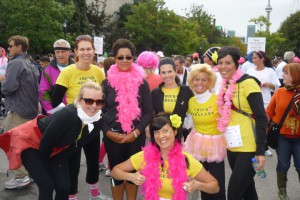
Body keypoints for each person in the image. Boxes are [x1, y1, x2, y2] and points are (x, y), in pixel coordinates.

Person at [0, 81, 105, 200]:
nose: (94, 105)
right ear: (80, 100)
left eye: (99, 102)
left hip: (56, 147)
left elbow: (76, 146)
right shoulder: (69, 114)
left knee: (64, 187)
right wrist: (47, 169)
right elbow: (45, 143)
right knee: (47, 185)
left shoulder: (99, 120)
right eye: (89, 100)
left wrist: (58, 164)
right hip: (29, 140)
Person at [111, 113, 219, 199]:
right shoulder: (145, 156)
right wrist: (131, 177)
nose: (161, 136)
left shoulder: (186, 160)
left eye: (166, 131)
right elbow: (115, 171)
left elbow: (215, 187)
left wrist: (198, 185)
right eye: (156, 132)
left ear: (175, 131)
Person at [51, 35, 107, 200]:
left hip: (93, 125)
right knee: (73, 164)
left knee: (93, 160)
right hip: (74, 127)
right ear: (75, 52)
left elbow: (104, 96)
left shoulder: (98, 71)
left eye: (88, 49)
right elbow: (54, 100)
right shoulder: (68, 72)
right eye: (81, 49)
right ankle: (72, 196)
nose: (85, 52)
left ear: (93, 51)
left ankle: (94, 193)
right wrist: (71, 114)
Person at [101, 38, 153, 200]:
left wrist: (136, 133)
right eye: (120, 57)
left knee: (133, 173)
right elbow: (98, 112)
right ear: (115, 59)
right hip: (113, 136)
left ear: (133, 59)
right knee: (117, 173)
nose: (124, 60)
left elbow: (148, 112)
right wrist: (108, 133)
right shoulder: (106, 83)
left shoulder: (142, 83)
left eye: (128, 57)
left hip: (135, 137)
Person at [217, 46, 267, 200]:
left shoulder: (249, 83)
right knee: (247, 190)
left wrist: (260, 151)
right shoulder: (225, 84)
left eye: (228, 63)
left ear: (236, 65)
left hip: (249, 146)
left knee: (234, 193)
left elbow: (261, 117)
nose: (223, 67)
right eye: (220, 63)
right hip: (233, 145)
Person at [0, 35, 39, 190]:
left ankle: (20, 176)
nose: (8, 48)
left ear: (19, 47)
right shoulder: (30, 63)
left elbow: (8, 88)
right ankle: (28, 174)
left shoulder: (15, 63)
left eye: (11, 46)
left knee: (12, 144)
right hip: (30, 110)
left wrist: (2, 81)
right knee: (27, 145)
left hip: (18, 110)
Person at [183, 64, 227, 200]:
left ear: (210, 82)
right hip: (197, 144)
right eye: (196, 79)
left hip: (215, 145)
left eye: (203, 80)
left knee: (217, 183)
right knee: (201, 183)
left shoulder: (218, 99)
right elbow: (189, 124)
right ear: (191, 82)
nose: (199, 83)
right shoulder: (191, 101)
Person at [266, 63, 300, 200]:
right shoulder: (280, 92)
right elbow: (269, 112)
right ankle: (282, 192)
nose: (282, 75)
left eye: (286, 73)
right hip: (282, 137)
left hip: (299, 137)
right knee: (283, 164)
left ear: (296, 75)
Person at [247, 51, 280, 158]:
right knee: (253, 124)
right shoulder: (249, 71)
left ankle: (264, 147)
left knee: (264, 125)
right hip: (251, 101)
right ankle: (253, 146)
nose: (253, 60)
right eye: (253, 58)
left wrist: (267, 84)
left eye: (256, 58)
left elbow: (277, 86)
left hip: (266, 101)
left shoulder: (270, 71)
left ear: (262, 59)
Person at [151, 57, 194, 140]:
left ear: (175, 71)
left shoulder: (186, 91)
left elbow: (190, 115)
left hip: (179, 137)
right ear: (159, 74)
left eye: (170, 71)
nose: (167, 75)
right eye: (163, 72)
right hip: (160, 138)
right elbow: (150, 116)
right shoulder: (154, 93)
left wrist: (184, 126)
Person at [39, 39, 73, 115]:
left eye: (63, 52)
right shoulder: (47, 71)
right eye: (57, 52)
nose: (60, 55)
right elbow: (43, 93)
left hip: (77, 112)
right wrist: (51, 112)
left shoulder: (78, 68)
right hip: (56, 114)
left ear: (69, 52)